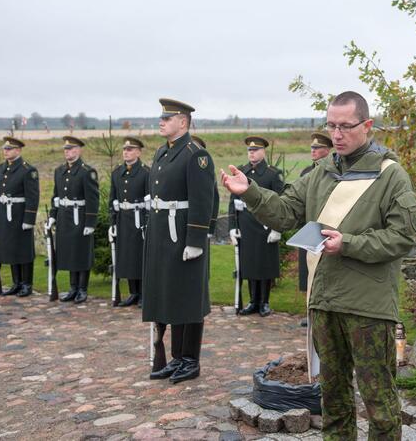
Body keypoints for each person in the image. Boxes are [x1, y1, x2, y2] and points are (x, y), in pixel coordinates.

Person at [221, 91, 416, 440]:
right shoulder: (321, 174)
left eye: (345, 126)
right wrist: (249, 191)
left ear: (368, 125)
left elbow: (403, 237)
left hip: (368, 308)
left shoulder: (391, 175)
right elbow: (284, 214)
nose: (337, 134)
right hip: (326, 302)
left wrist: (349, 244)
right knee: (333, 400)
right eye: (331, 126)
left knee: (380, 403)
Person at [142, 99, 216, 383]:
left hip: (184, 235)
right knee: (171, 295)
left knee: (188, 296)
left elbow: (202, 199)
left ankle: (190, 359)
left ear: (183, 122)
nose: (161, 121)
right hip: (163, 234)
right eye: (161, 117)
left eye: (167, 117)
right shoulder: (163, 152)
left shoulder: (195, 155)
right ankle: (176, 357)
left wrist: (195, 239)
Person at [228, 136, 284, 317]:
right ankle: (253, 301)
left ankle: (264, 302)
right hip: (245, 224)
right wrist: (232, 226)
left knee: (265, 265)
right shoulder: (242, 172)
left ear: (263, 152)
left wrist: (277, 228)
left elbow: (281, 202)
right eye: (249, 151)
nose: (252, 153)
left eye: (255, 150)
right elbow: (232, 202)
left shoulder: (272, 174)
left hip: (265, 225)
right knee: (250, 264)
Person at [47, 136, 99, 304]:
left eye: (70, 149)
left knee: (81, 253)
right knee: (69, 253)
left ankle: (82, 289)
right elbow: (56, 197)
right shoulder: (59, 171)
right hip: (65, 217)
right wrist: (52, 216)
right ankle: (73, 287)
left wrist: (90, 223)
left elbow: (93, 199)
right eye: (65, 149)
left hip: (80, 218)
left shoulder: (86, 171)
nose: (67, 152)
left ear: (78, 150)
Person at [0, 137, 40, 297]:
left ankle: (27, 284)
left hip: (20, 215)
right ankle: (16, 282)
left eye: (9, 149)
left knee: (23, 250)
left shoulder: (27, 170)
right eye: (5, 148)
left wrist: (29, 219)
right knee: (10, 248)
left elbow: (33, 197)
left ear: (18, 150)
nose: (6, 151)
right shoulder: (0, 169)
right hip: (4, 214)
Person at [108, 136, 150, 307]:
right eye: (125, 149)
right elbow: (113, 200)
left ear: (139, 152)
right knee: (127, 256)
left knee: (139, 256)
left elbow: (149, 201)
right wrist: (113, 223)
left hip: (139, 221)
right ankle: (133, 292)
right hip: (123, 220)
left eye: (130, 149)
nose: (126, 152)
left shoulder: (146, 172)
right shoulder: (117, 173)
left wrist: (148, 224)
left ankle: (143, 293)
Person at [298, 131, 333, 294]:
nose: (313, 150)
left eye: (317, 148)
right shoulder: (306, 172)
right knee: (308, 272)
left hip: (327, 226)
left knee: (324, 273)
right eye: (312, 147)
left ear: (327, 150)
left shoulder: (333, 171)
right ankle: (307, 313)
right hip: (308, 226)